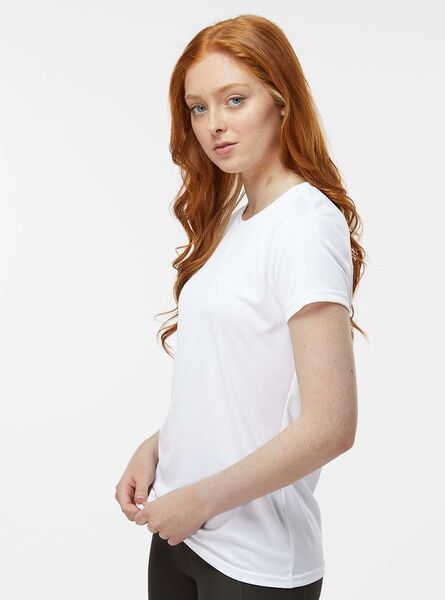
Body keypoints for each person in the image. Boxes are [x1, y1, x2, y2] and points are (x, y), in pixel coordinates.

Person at [115, 13, 367, 600]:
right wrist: (159, 446)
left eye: (234, 99)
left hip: (254, 563)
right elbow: (233, 380)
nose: (214, 125)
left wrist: (200, 499)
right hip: (181, 533)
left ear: (281, 100)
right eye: (198, 108)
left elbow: (331, 425)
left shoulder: (305, 226)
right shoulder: (235, 221)